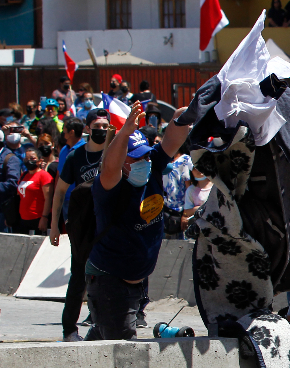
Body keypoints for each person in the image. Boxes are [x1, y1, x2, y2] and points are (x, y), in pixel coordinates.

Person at [84, 101, 190, 340]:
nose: (144, 162)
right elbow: (110, 166)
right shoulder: (109, 186)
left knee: (105, 341)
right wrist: (123, 134)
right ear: (122, 161)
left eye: (145, 157)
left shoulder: (151, 168)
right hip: (110, 281)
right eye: (135, 158)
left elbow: (173, 138)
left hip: (136, 278)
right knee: (120, 350)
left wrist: (186, 114)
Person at [49, 109, 109, 342]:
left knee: (107, 277)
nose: (101, 131)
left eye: (106, 127)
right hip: (82, 224)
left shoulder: (114, 153)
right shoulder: (76, 157)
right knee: (79, 277)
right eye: (97, 126)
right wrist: (55, 225)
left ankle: (103, 324)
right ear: (87, 129)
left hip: (107, 223)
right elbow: (60, 191)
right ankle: (69, 329)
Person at [15, 147, 53, 235]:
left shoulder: (44, 176)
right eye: (26, 158)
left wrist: (44, 217)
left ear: (40, 161)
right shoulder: (24, 175)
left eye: (32, 158)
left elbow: (48, 198)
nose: (29, 161)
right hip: (23, 219)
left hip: (38, 218)